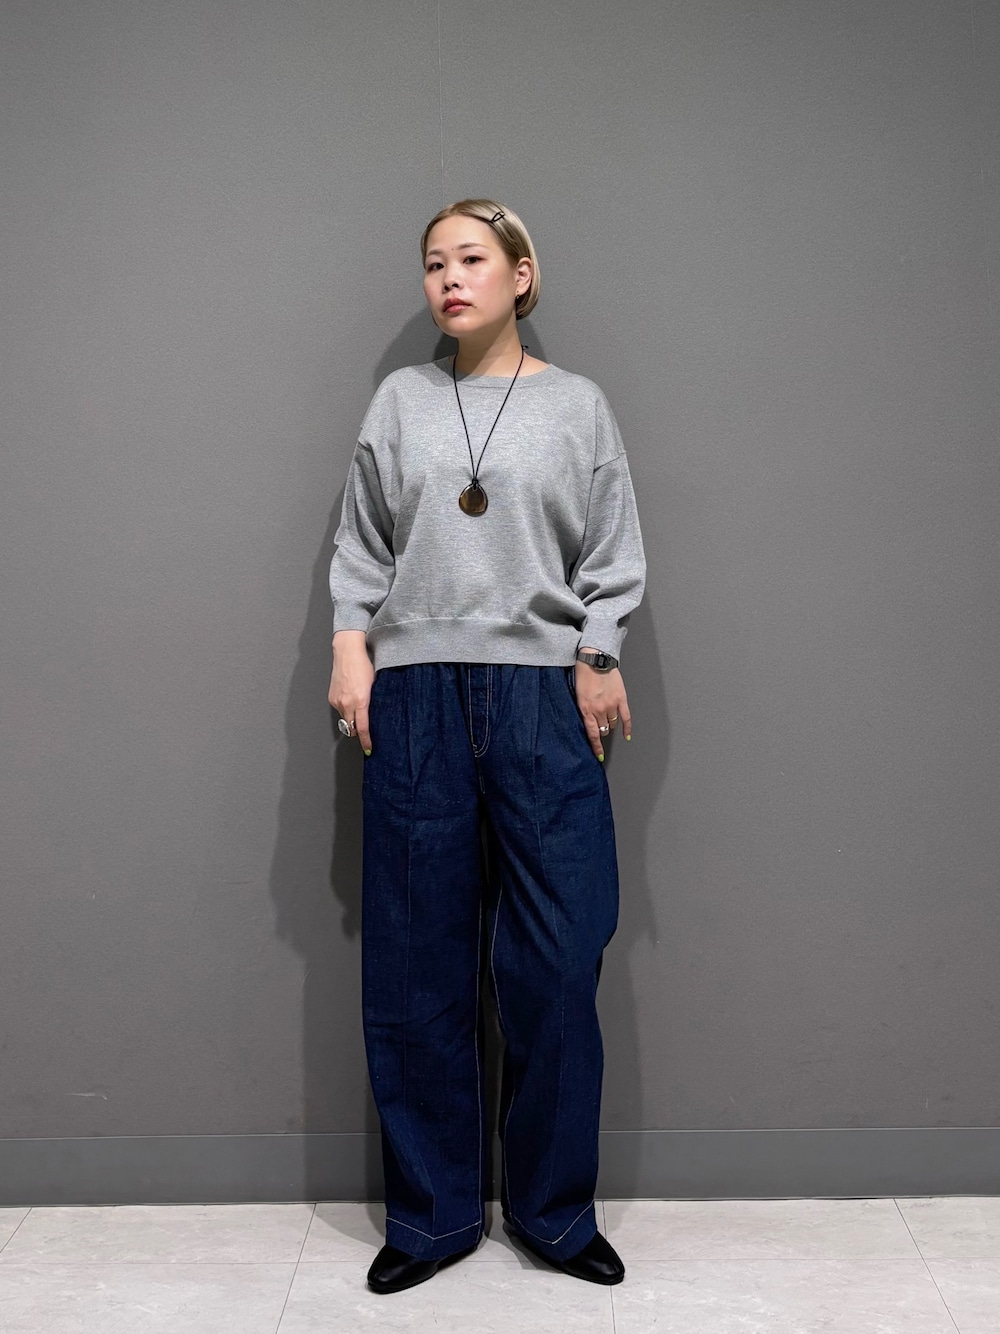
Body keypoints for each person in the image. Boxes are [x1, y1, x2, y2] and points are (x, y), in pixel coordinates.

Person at [327, 198, 645, 1295]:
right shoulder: (401, 400)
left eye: (471, 258)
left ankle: (554, 1212)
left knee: (556, 960)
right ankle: (432, 1215)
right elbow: (362, 543)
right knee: (416, 962)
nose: (449, 278)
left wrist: (597, 652)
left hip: (541, 697)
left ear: (521, 274)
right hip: (413, 692)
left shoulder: (577, 406)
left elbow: (611, 549)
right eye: (432, 263)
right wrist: (350, 646)